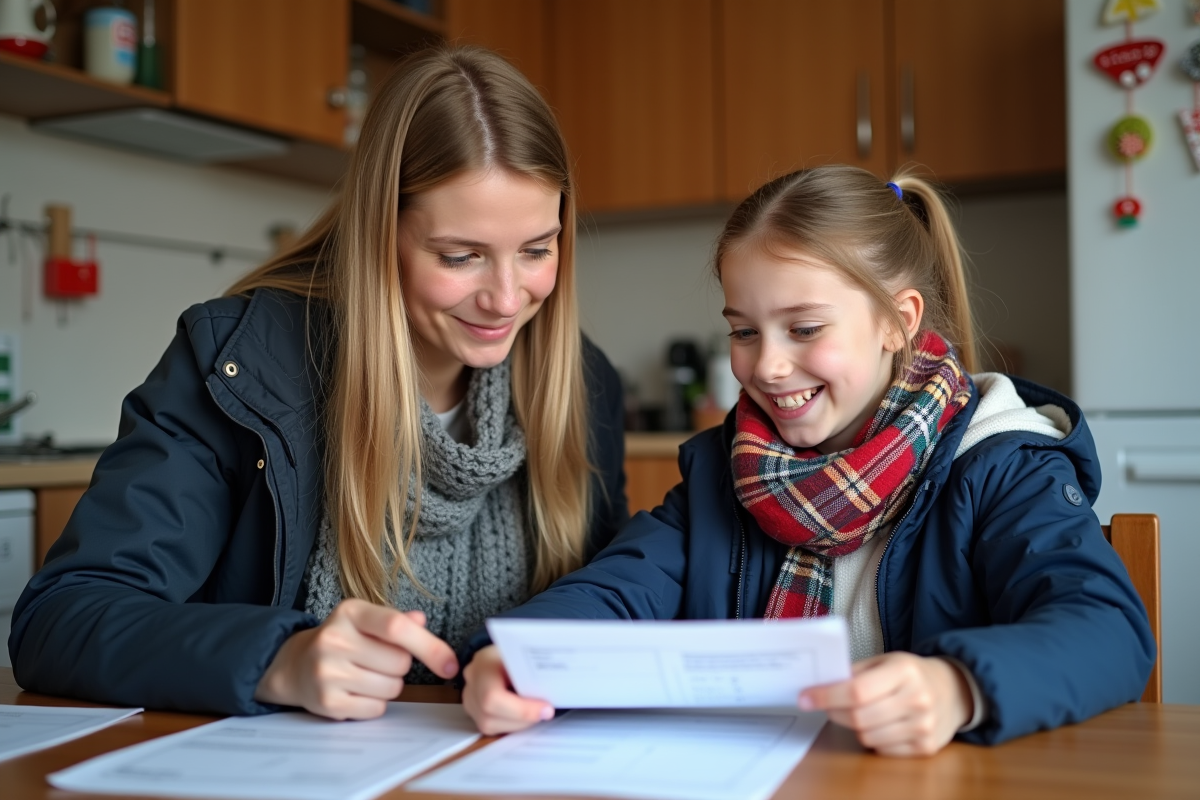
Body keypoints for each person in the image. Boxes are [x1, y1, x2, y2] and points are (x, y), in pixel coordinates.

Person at [8, 46, 627, 720]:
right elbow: (60, 620)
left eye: (537, 249)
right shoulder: (242, 363)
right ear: (378, 235)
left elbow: (618, 603)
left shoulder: (581, 383)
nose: (507, 299)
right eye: (461, 256)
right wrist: (277, 659)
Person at [459, 165, 1155, 754]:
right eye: (742, 330)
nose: (766, 364)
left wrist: (959, 687)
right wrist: (521, 657)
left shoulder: (1001, 464)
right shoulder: (724, 472)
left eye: (805, 328)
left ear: (897, 320)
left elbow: (1106, 629)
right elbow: (617, 588)